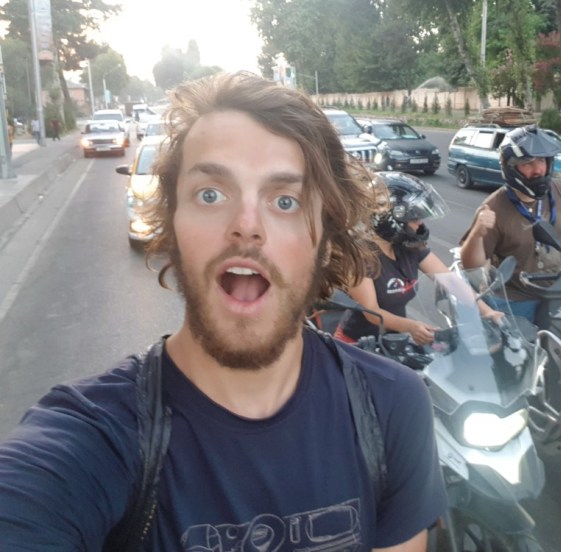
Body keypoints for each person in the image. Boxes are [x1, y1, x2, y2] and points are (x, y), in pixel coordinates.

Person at [0, 72, 447, 550]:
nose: (246, 226)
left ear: (325, 243)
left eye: (285, 201)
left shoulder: (392, 406)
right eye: (210, 194)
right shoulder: (93, 438)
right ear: (172, 225)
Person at [460, 125, 561, 323]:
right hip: (515, 301)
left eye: (541, 161)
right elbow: (472, 265)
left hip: (559, 293)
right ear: (511, 167)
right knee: (518, 342)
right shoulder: (493, 207)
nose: (538, 169)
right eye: (528, 163)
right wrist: (477, 234)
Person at [335, 171, 504, 346]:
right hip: (357, 344)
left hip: (394, 341)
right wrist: (411, 327)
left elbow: (451, 281)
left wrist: (486, 311)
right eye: (414, 218)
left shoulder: (409, 247)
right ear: (388, 218)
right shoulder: (360, 256)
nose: (420, 224)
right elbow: (371, 311)